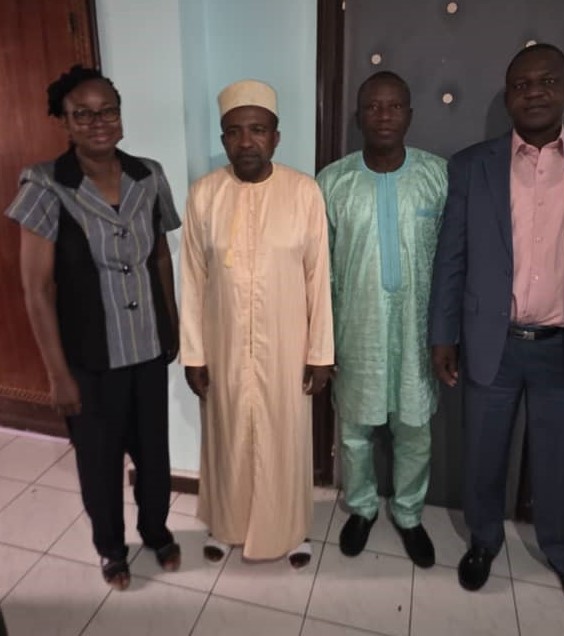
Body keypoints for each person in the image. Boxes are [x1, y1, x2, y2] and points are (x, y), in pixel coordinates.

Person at [429, 43, 564, 619]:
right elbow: (451, 258)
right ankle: (483, 541)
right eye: (522, 84)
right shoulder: (472, 165)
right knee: (482, 455)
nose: (535, 92)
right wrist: (443, 335)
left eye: (547, 81)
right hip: (491, 344)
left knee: (563, 460)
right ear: (509, 96)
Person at [5, 66, 182, 590]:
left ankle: (157, 531)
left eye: (108, 111)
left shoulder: (149, 175)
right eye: (82, 114)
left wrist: (171, 323)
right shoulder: (44, 184)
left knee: (154, 455)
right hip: (89, 357)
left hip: (147, 347)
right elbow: (37, 288)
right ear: (64, 122)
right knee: (99, 464)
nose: (98, 122)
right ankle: (111, 548)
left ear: (120, 116)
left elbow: (160, 256)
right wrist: (58, 374)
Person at [179, 80, 334, 568]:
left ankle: (291, 530)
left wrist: (321, 354)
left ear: (276, 137)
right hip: (222, 345)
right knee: (227, 435)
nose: (246, 142)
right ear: (223, 139)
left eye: (258, 130)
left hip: (287, 347)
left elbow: (318, 278)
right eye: (234, 132)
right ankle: (227, 524)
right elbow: (192, 279)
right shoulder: (204, 194)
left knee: (285, 438)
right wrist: (193, 354)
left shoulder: (303, 192)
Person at [317, 72, 448, 568]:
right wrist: (323, 343)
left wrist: (448, 334)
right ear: (359, 116)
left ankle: (409, 515)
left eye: (394, 106)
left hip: (419, 334)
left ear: (410, 114)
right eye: (373, 106)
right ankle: (362, 508)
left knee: (415, 431)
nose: (384, 115)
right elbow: (320, 271)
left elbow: (453, 263)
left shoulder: (438, 176)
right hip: (356, 330)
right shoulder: (332, 182)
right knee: (354, 432)